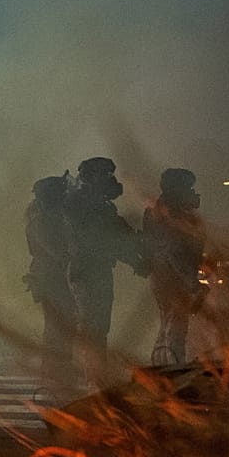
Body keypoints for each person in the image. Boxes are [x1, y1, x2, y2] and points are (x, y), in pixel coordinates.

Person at [64, 157, 142, 387]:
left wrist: (139, 250)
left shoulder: (101, 205)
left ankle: (97, 377)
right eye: (105, 175)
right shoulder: (79, 204)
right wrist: (134, 259)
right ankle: (93, 379)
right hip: (86, 271)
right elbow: (102, 239)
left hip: (99, 271)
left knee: (100, 328)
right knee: (92, 328)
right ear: (91, 177)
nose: (110, 180)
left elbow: (120, 235)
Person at [142, 168, 207, 365]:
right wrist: (192, 282)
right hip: (173, 278)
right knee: (176, 327)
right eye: (188, 188)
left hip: (164, 276)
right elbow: (174, 251)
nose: (192, 192)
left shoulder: (159, 212)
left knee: (167, 324)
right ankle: (173, 367)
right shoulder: (170, 215)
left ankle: (162, 366)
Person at [24, 174, 78, 392]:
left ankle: (57, 366)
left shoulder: (46, 218)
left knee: (60, 323)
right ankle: (55, 368)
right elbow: (55, 250)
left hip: (52, 276)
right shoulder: (42, 222)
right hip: (52, 277)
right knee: (57, 324)